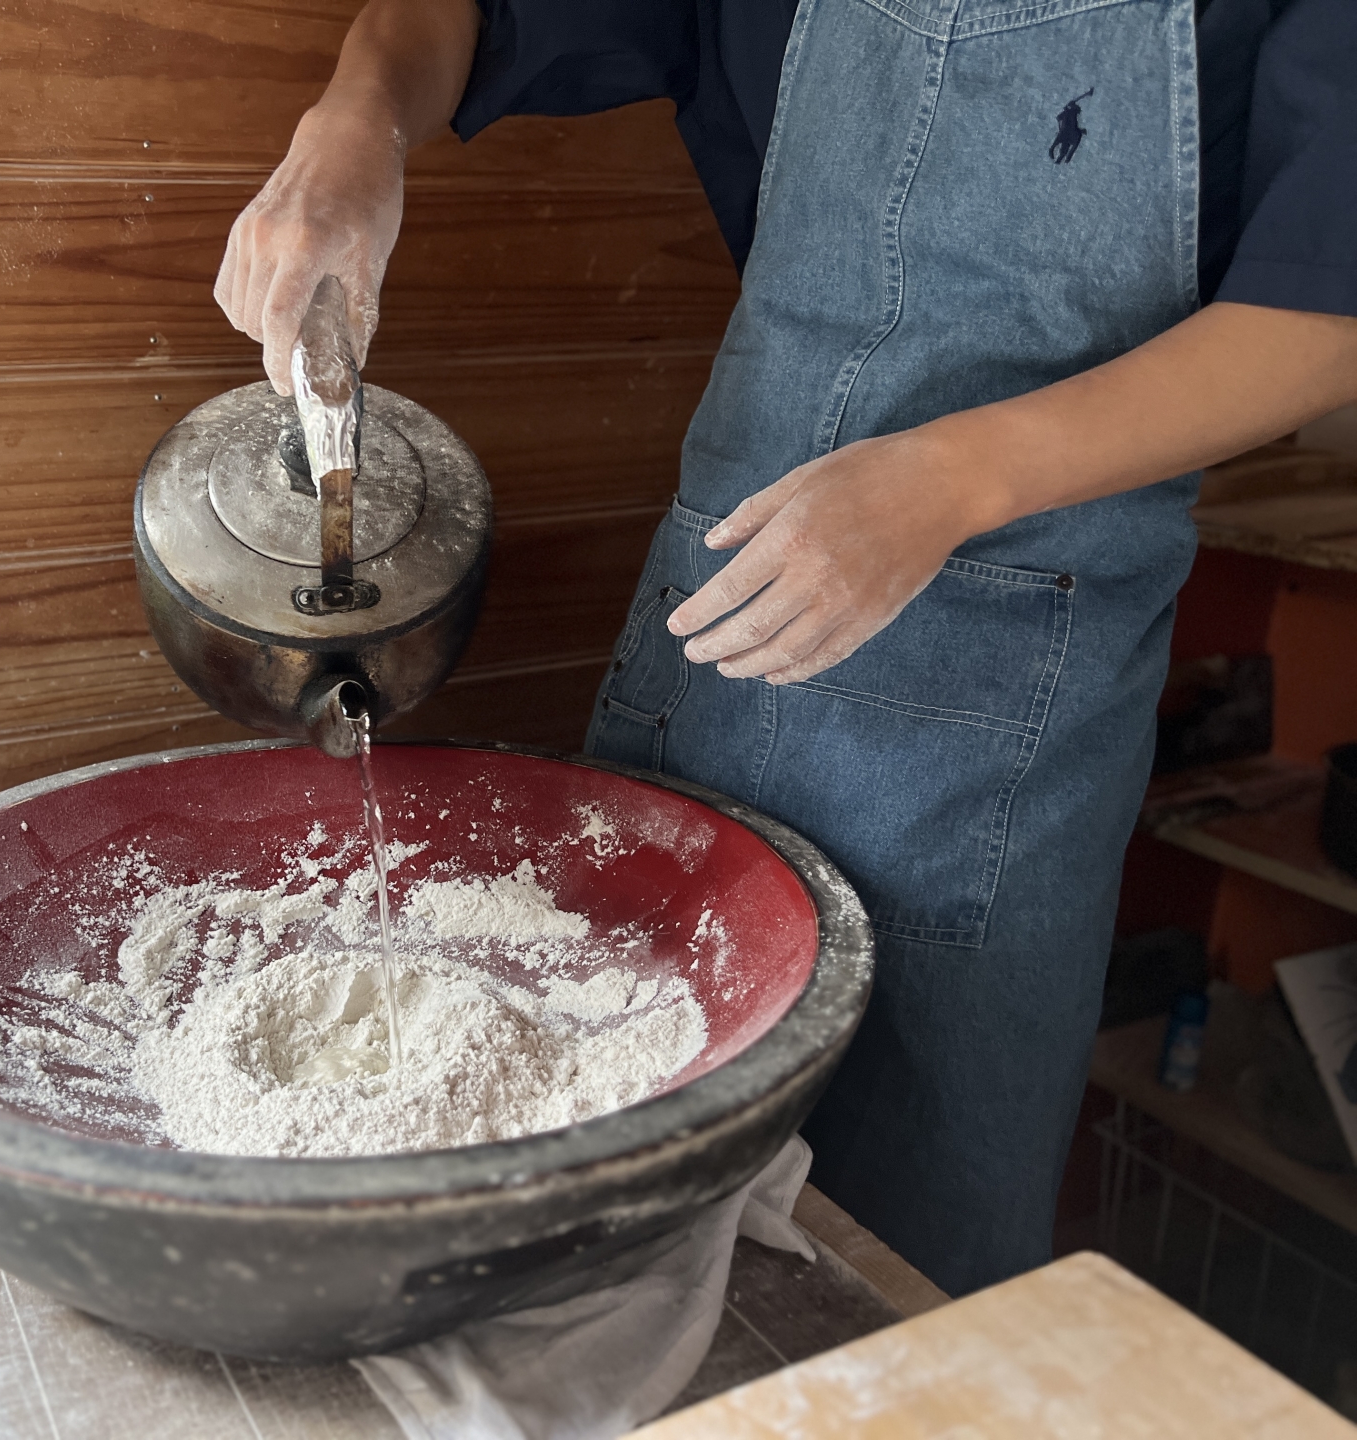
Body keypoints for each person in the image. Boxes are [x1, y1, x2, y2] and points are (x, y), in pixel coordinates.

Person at [214, 0, 1357, 1296]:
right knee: (623, 1206)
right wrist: (356, 117)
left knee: (899, 1268)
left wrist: (951, 482)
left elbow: (1326, 313)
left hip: (999, 671)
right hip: (724, 604)